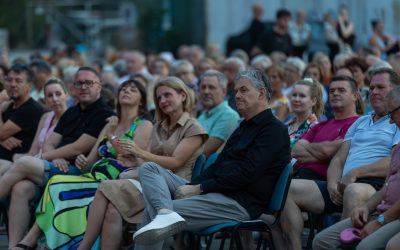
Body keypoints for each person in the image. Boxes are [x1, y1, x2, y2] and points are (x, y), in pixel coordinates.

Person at [131, 69, 291, 249]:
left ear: (261, 93)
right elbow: (217, 166)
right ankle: (165, 211)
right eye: (236, 91)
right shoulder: (243, 128)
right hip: (215, 192)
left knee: (152, 211)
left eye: (243, 90)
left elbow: (246, 174)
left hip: (238, 202)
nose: (237, 95)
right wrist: (193, 186)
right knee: (149, 168)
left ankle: (165, 213)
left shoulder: (274, 130)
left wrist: (199, 188)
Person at [15, 79, 154, 250]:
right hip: (94, 176)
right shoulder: (111, 123)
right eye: (123, 89)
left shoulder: (143, 125)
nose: (126, 91)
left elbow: (129, 155)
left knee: (59, 185)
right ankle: (33, 242)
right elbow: (91, 160)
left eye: (133, 90)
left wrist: (110, 135)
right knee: (56, 182)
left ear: (141, 99)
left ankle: (32, 242)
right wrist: (82, 161)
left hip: (116, 182)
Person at [76, 76, 207, 250]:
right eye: (159, 97)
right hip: (148, 179)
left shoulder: (193, 128)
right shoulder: (160, 125)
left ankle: (83, 247)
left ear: (182, 96)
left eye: (167, 95)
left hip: (175, 185)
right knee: (112, 210)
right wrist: (134, 159)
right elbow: (148, 159)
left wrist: (139, 152)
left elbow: (176, 162)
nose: (162, 101)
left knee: (105, 187)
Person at [279, 68, 400, 250]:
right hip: (342, 183)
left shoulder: (396, 122)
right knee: (288, 188)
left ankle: (343, 244)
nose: (374, 92)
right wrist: (332, 184)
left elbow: (393, 162)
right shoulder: (361, 121)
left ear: (395, 89)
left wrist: (356, 172)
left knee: (354, 191)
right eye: (372, 87)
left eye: (381, 87)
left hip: (373, 185)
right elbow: (338, 158)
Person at [2, 66, 115, 248]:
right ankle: (15, 246)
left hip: (77, 172)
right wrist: (53, 158)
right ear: (73, 88)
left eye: (89, 83)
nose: (84, 87)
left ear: (99, 86)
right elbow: (49, 142)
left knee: (24, 163)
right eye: (79, 83)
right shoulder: (72, 111)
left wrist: (44, 157)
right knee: (20, 188)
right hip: (55, 166)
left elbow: (77, 148)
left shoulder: (104, 114)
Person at [313, 86, 400, 249]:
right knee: (321, 241)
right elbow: (387, 187)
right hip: (379, 211)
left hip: (392, 215)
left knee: (362, 247)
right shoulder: (398, 147)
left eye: (392, 113)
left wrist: (381, 220)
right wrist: (365, 208)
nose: (390, 121)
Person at [290, 76, 359, 180]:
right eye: (332, 91)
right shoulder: (320, 125)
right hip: (301, 175)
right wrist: (325, 153)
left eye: (341, 90)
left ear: (355, 96)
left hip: (326, 181)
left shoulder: (359, 123)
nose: (335, 93)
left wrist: (310, 147)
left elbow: (327, 151)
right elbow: (296, 151)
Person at [0, 78, 68, 176]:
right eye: (50, 96)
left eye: (58, 94)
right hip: (35, 160)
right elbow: (32, 151)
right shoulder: (46, 117)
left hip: (53, 164)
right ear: (45, 100)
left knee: (11, 171)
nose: (54, 99)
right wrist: (16, 157)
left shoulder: (72, 118)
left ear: (66, 95)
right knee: (4, 165)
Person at [0, 64, 44, 162]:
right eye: (9, 80)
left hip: (15, 163)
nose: (12, 84)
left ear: (29, 85)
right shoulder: (9, 105)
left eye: (18, 81)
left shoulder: (32, 109)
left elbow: (1, 133)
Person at [197, 70, 240, 157]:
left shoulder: (229, 115)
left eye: (211, 87)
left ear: (224, 92)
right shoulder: (202, 116)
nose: (206, 91)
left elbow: (204, 152)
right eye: (203, 87)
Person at [285, 78, 324, 149]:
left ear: (313, 101)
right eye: (294, 95)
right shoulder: (287, 123)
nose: (296, 99)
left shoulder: (315, 128)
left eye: (302, 96)